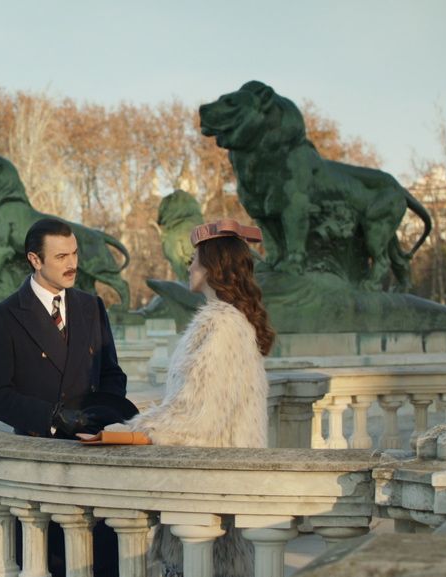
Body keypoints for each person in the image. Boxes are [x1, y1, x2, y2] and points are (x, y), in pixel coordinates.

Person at [96, 218, 274, 577]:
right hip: (211, 482)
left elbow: (198, 414)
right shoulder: (227, 322)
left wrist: (131, 431)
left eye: (195, 259)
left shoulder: (223, 326)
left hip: (208, 485)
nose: (189, 266)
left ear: (213, 266)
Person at [0, 217, 136, 577]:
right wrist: (54, 417)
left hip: (93, 459)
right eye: (61, 256)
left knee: (102, 562)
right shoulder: (1, 318)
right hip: (40, 468)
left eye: (75, 253)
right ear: (35, 260)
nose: (73, 264)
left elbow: (112, 373)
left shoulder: (91, 306)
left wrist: (104, 416)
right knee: (51, 564)